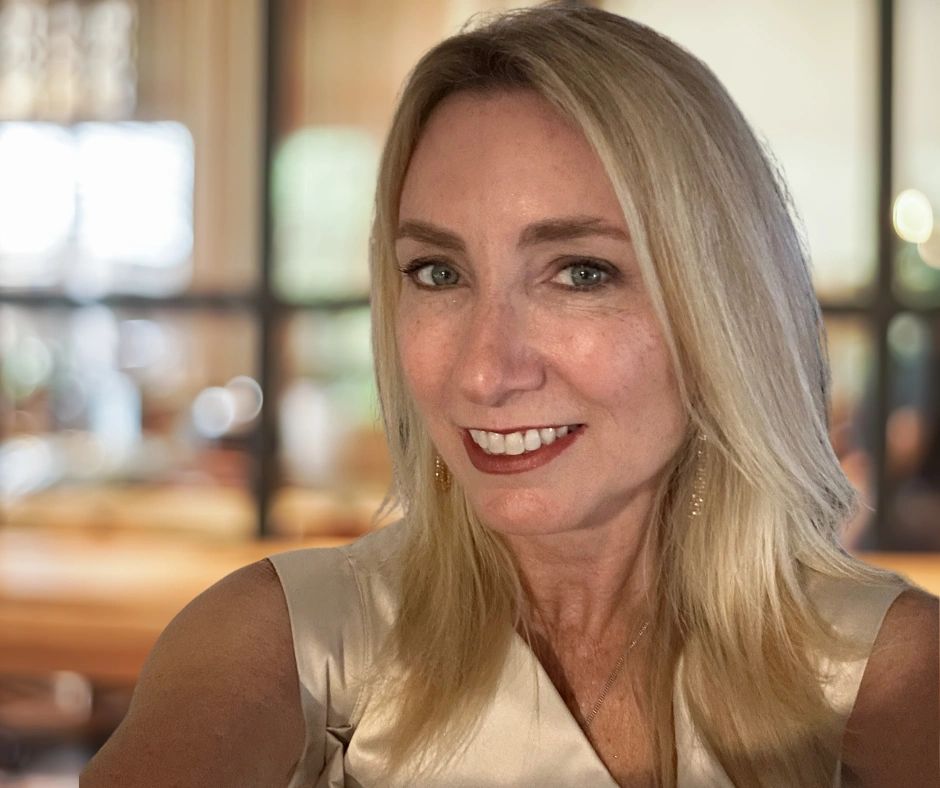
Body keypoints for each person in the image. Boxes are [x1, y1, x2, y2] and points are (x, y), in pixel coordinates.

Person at [82, 5, 938, 787]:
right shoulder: (288, 644)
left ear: (724, 307)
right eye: (438, 273)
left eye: (580, 273)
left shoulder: (884, 673)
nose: (485, 373)